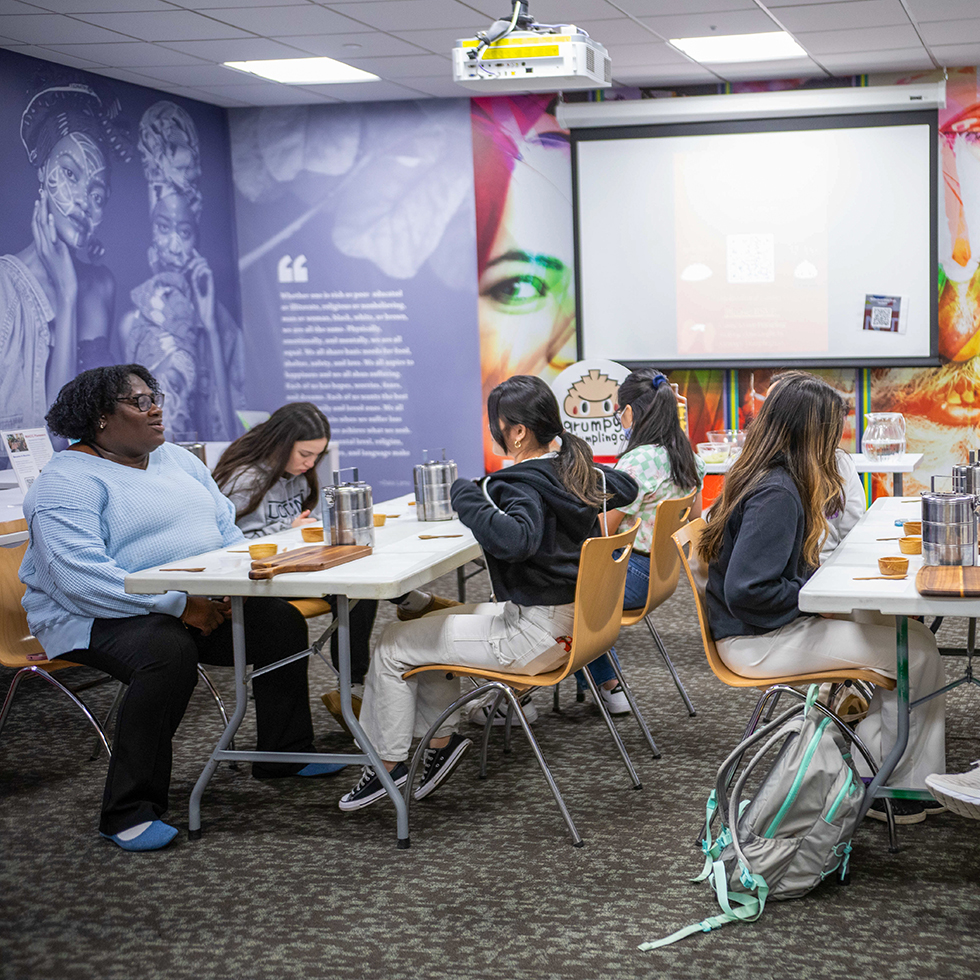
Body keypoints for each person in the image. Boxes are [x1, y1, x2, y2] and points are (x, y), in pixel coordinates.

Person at [19, 366, 336, 853]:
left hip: (187, 599)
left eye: (154, 397)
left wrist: (233, 585)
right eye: (139, 402)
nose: (156, 409)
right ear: (101, 418)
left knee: (279, 622)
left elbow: (225, 530)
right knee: (165, 653)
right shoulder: (65, 483)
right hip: (89, 615)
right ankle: (128, 810)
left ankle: (283, 753)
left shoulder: (175, 460)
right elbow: (78, 580)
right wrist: (179, 607)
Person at [337, 375, 638, 810]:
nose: (492, 430)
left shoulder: (517, 482)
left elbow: (517, 541)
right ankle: (438, 745)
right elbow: (625, 486)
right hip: (582, 626)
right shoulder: (569, 474)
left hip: (536, 635)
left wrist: (467, 493)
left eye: (496, 423)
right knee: (426, 626)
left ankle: (386, 765)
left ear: (517, 432)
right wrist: (574, 463)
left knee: (390, 644)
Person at [698, 371, 946, 824]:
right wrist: (817, 598)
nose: (836, 445)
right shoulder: (777, 493)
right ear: (811, 432)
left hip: (764, 628)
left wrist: (816, 593)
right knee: (918, 651)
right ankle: (897, 787)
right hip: (755, 642)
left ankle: (882, 760)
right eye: (832, 433)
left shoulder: (775, 478)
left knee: (910, 639)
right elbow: (748, 591)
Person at [213, 403, 450, 728]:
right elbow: (226, 543)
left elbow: (292, 526)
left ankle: (350, 685)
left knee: (359, 584)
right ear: (280, 444)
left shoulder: (294, 475)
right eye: (304, 455)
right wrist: (287, 531)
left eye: (317, 456)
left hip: (290, 567)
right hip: (256, 580)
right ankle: (410, 602)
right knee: (353, 582)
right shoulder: (244, 479)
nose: (310, 464)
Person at [1, 81, 129, 436]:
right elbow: (55, 436)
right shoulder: (5, 286)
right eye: (70, 174)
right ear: (43, 172)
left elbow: (109, 405)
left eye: (97, 193)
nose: (83, 201)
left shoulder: (102, 283)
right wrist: (67, 295)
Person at [578, 368, 705, 714]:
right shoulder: (687, 456)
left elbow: (603, 528)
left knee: (565, 594)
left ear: (630, 412)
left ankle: (608, 684)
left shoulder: (638, 461)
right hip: (663, 573)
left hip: (633, 573)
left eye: (619, 411)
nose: (619, 418)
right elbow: (695, 520)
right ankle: (600, 682)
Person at [117, 102, 243, 441]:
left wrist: (210, 328)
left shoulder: (221, 324)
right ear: (151, 231)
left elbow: (230, 434)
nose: (173, 245)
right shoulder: (132, 322)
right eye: (163, 228)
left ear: (196, 237)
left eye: (184, 232)